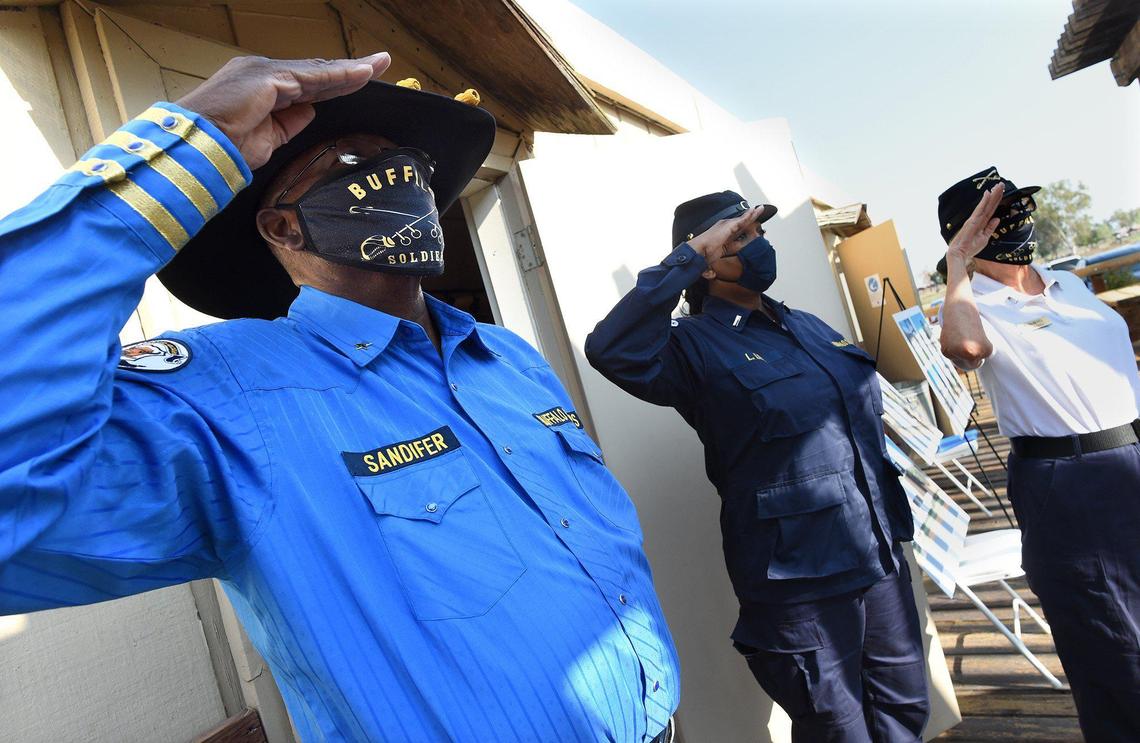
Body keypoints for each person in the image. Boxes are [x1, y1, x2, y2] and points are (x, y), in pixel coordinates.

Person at [0, 53, 680, 743]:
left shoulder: (507, 358)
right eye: (353, 162)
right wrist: (189, 145)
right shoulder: (229, 396)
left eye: (404, 161)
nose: (400, 180)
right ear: (283, 228)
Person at [585, 191, 929, 742]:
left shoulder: (810, 327)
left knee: (905, 713)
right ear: (705, 261)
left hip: (879, 557)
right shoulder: (692, 347)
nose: (757, 246)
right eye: (737, 238)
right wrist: (690, 256)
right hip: (802, 586)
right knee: (840, 732)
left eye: (757, 233)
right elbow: (611, 349)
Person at [937, 167, 1140, 742]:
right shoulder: (971, 302)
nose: (1021, 219)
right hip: (1068, 479)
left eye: (1022, 205)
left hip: (1130, 455)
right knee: (1113, 645)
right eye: (1002, 211)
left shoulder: (1068, 283)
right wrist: (957, 266)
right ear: (968, 230)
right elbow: (964, 348)